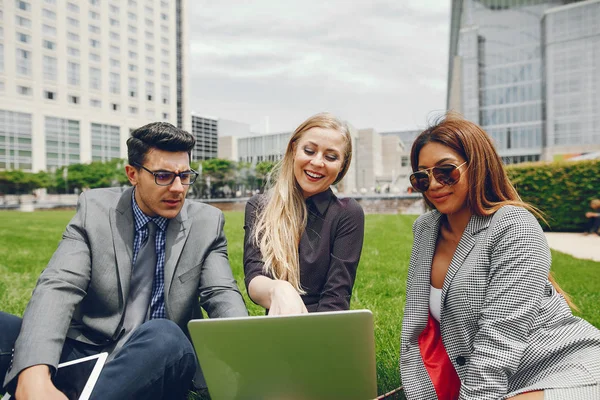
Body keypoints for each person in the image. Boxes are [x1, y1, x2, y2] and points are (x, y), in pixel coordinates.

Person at [0, 122, 248, 399]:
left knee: (165, 334)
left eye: (185, 175)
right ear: (132, 174)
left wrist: (251, 366)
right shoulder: (94, 209)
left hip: (156, 353)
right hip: (88, 346)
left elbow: (221, 294)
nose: (178, 188)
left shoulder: (207, 222)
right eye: (164, 176)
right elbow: (59, 285)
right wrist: (34, 372)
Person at [400, 112, 600, 400]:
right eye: (422, 176)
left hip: (563, 368)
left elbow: (499, 338)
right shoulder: (426, 228)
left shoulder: (513, 224)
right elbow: (417, 326)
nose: (433, 184)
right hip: (498, 379)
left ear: (477, 166)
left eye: (446, 171)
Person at [243, 112, 364, 315]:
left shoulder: (348, 213)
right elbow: (254, 276)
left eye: (331, 157)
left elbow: (337, 296)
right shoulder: (260, 206)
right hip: (277, 323)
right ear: (294, 150)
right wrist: (278, 289)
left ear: (341, 165)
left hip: (325, 326)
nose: (317, 162)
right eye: (309, 151)